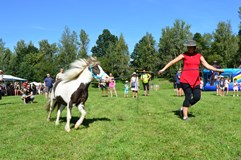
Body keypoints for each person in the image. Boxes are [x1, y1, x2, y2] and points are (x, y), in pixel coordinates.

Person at [158, 39, 224, 121]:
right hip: (185, 79)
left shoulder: (199, 56)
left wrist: (218, 70)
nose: (189, 49)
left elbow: (207, 66)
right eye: (188, 47)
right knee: (188, 97)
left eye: (191, 47)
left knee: (197, 97)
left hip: (196, 80)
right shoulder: (183, 55)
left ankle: (183, 108)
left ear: (194, 47)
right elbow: (172, 62)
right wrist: (163, 69)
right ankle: (185, 116)